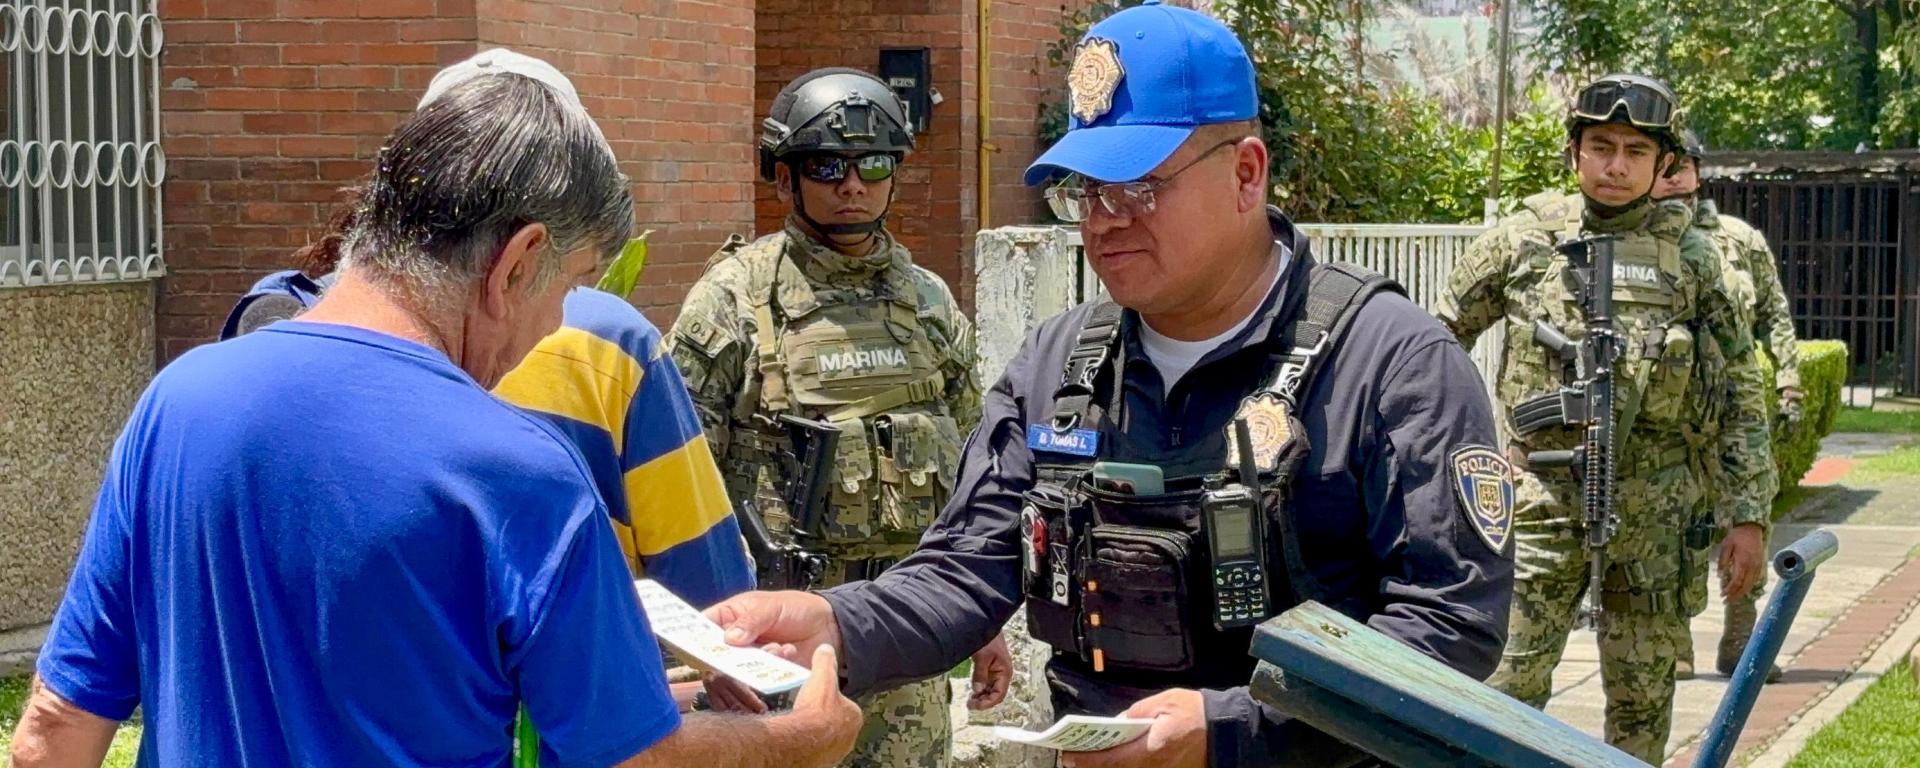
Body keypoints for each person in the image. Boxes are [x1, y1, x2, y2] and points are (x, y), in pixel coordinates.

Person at [700, 4, 1514, 766]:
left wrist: (1230, 730)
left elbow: (1451, 629)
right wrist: (834, 625)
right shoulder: (1058, 365)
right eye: (1086, 191)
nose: (1103, 220)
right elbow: (963, 570)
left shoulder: (1390, 363)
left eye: (1138, 187)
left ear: (1246, 173)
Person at [10, 49, 860, 768]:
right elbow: (631, 754)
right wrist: (796, 736)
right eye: (572, 286)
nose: (560, 324)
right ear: (519, 259)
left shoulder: (178, 402)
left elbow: (53, 732)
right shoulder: (515, 472)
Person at [664, 67, 1002, 766]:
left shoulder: (929, 303)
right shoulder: (733, 300)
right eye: (827, 166)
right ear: (784, 178)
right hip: (773, 658)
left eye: (873, 164)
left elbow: (977, 477)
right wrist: (703, 647)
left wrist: (980, 620)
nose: (853, 185)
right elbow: (676, 487)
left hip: (906, 645)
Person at [1436, 74, 1777, 762]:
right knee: (1504, 688)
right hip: (1538, 506)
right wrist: (1469, 455)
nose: (1616, 165)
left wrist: (1749, 515)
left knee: (1642, 706)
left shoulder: (1695, 260)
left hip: (1655, 515)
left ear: (1663, 165)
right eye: (1600, 147)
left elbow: (1741, 390)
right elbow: (1434, 345)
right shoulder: (1521, 241)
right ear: (1574, 154)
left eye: (1634, 151)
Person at [1655, 129, 1800, 683]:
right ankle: (1675, 644)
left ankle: (1741, 641)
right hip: (1670, 415)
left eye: (1681, 165)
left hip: (1734, 412)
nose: (1671, 177)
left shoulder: (1738, 240)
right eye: (1662, 165)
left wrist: (1789, 380)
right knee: (1674, 529)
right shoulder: (1641, 241)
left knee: (1749, 516)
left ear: (1697, 172)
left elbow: (1775, 315)